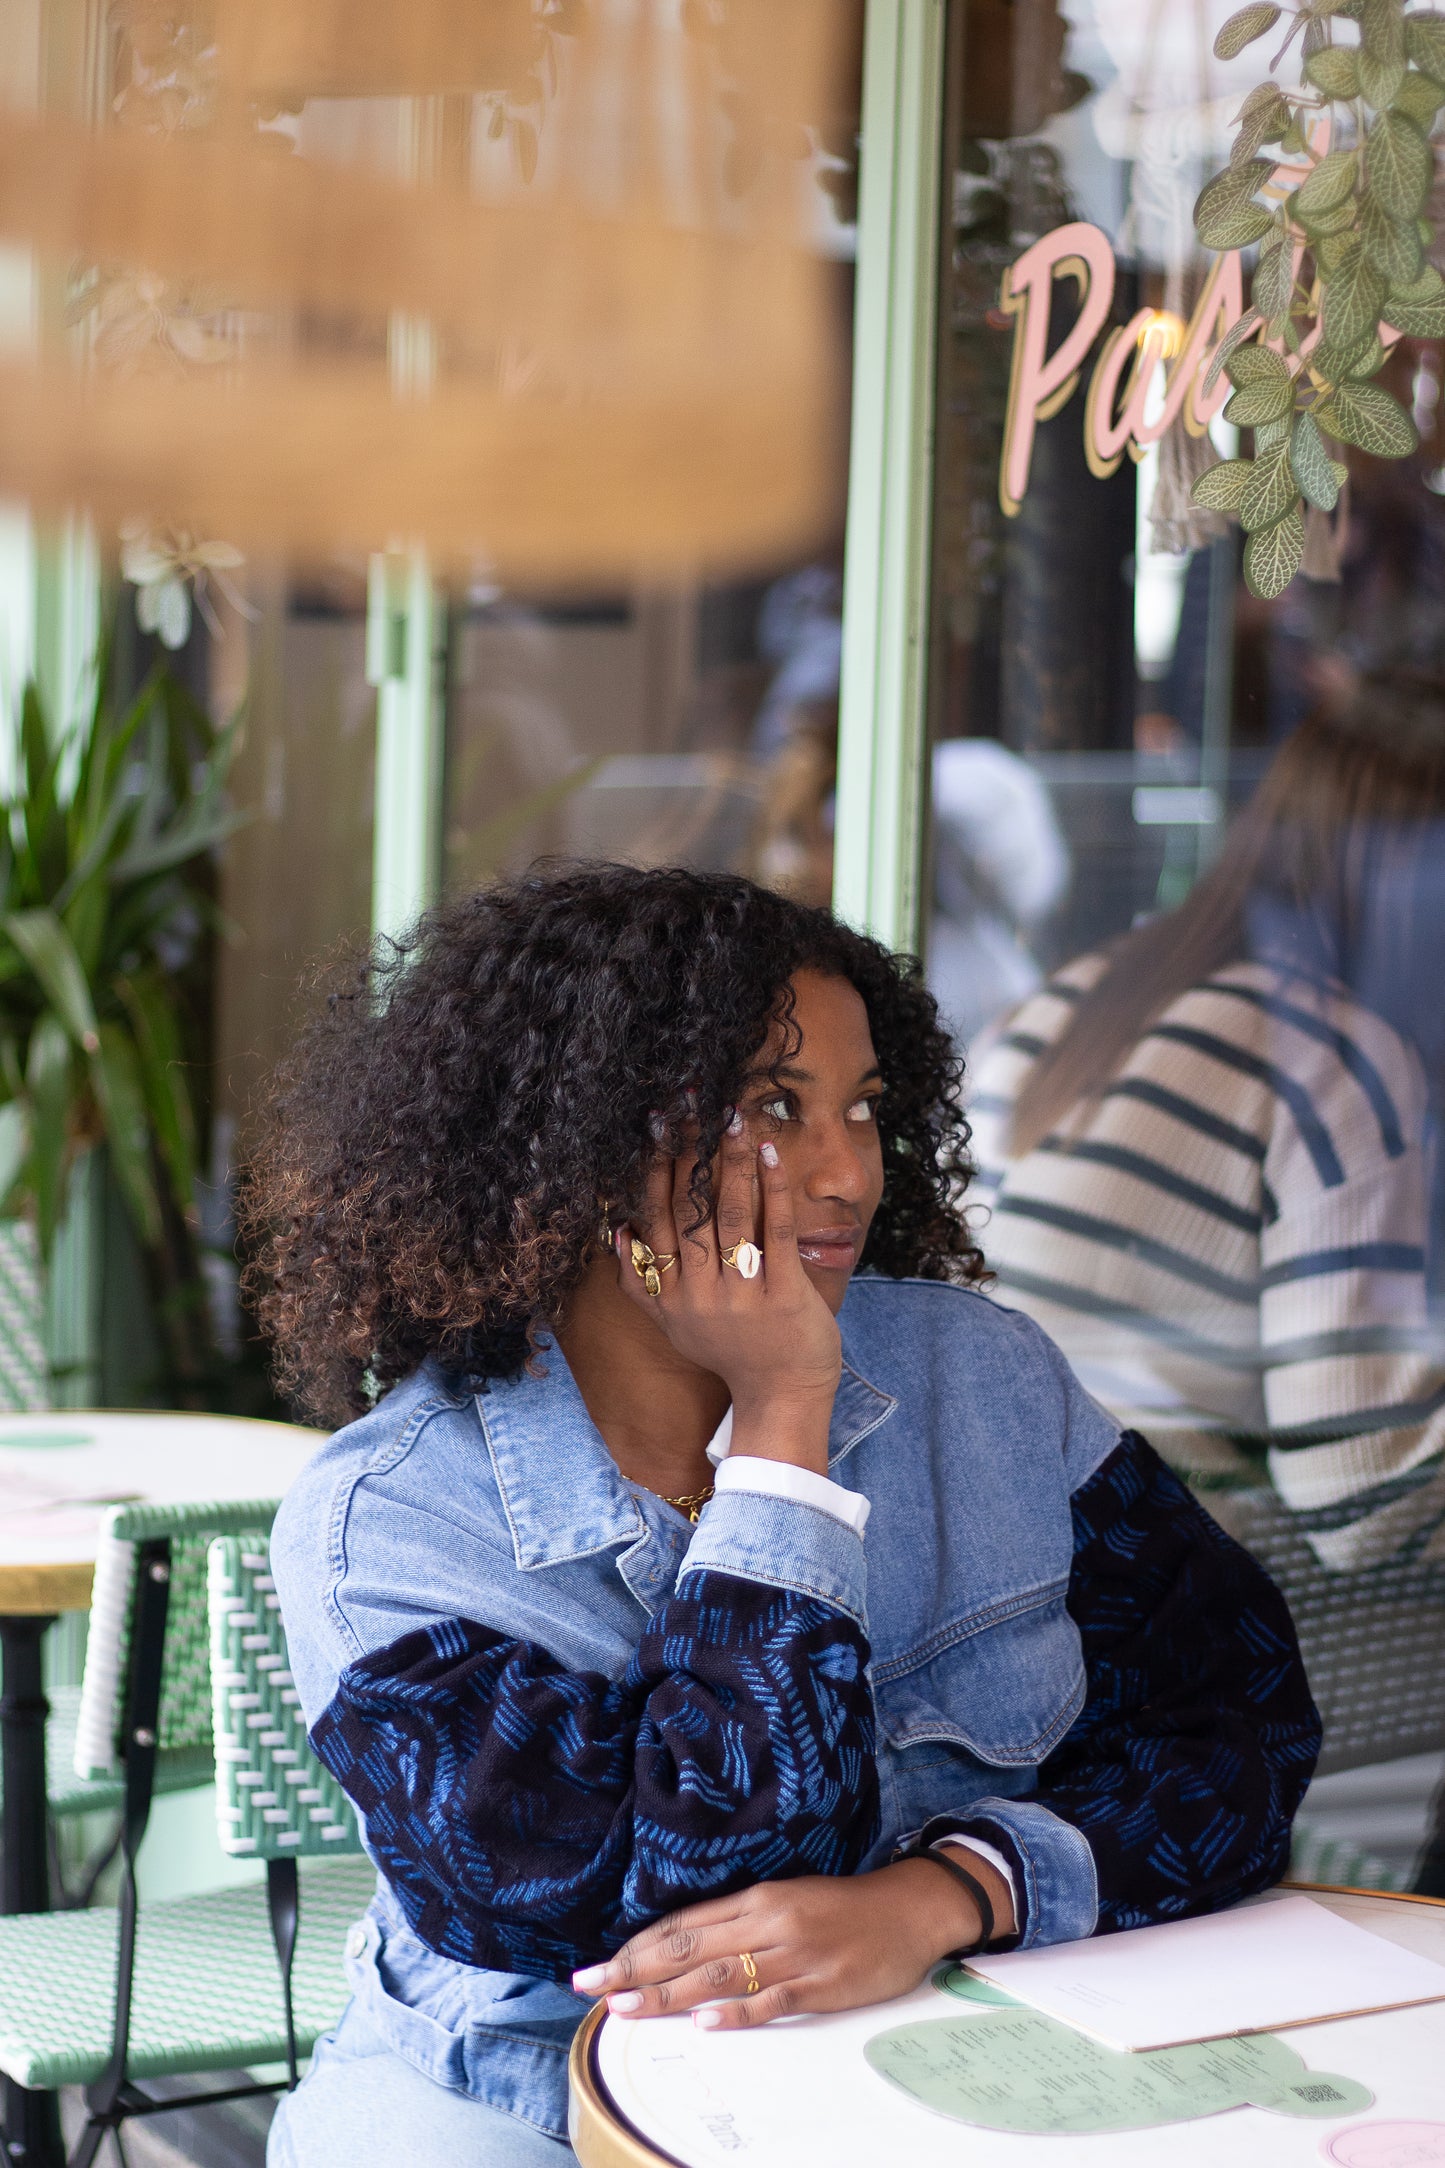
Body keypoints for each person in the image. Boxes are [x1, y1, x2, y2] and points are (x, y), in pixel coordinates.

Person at [245, 864, 1318, 2165]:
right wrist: (783, 1427)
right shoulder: (387, 1523)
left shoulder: (986, 1379)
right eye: (774, 1107)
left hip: (957, 2040)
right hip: (524, 2102)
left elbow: (1239, 1732)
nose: (845, 1170)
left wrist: (943, 1896)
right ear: (584, 1140)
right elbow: (686, 1916)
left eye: (862, 1110)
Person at [969, 667, 1445, 1572]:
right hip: (1155, 1623)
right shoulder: (1334, 1064)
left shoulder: (1071, 1002)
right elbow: (1364, 1502)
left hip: (993, 1590)